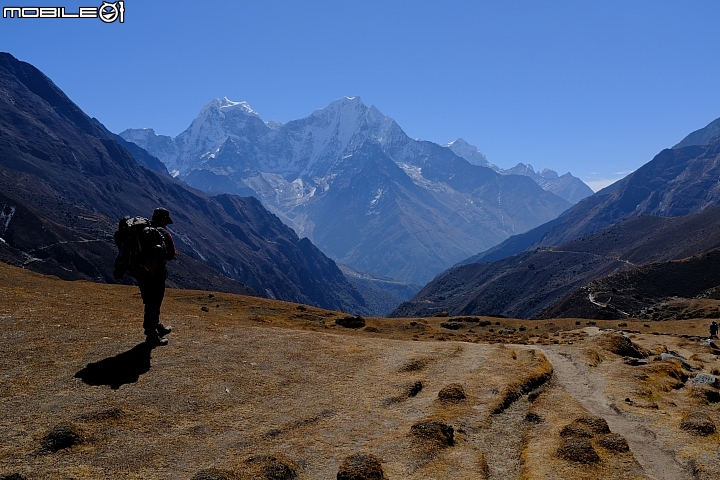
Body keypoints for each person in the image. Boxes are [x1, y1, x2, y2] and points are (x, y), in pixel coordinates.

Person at [139, 207, 177, 347]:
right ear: (163, 219)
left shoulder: (143, 231)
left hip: (142, 272)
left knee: (150, 301)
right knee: (154, 303)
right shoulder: (164, 234)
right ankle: (151, 335)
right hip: (157, 274)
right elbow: (171, 255)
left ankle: (156, 325)